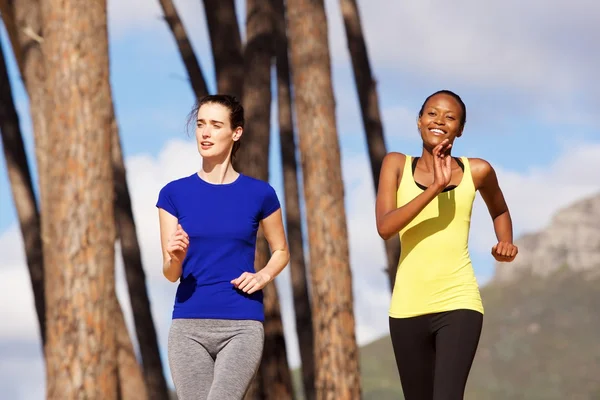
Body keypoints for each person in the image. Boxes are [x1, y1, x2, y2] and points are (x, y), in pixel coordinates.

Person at [375, 90, 518, 400]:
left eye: (450, 117)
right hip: (407, 306)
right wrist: (435, 189)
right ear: (419, 120)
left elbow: (500, 210)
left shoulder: (477, 171)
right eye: (432, 113)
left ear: (461, 129)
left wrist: (504, 243)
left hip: (459, 301)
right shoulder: (396, 164)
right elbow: (385, 227)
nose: (439, 121)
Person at [156, 94, 290, 400]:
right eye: (201, 124)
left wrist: (263, 276)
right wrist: (174, 257)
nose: (205, 132)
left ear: (236, 132)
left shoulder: (260, 194)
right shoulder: (173, 194)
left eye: (216, 125)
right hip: (188, 326)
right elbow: (170, 272)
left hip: (241, 323)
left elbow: (281, 250)